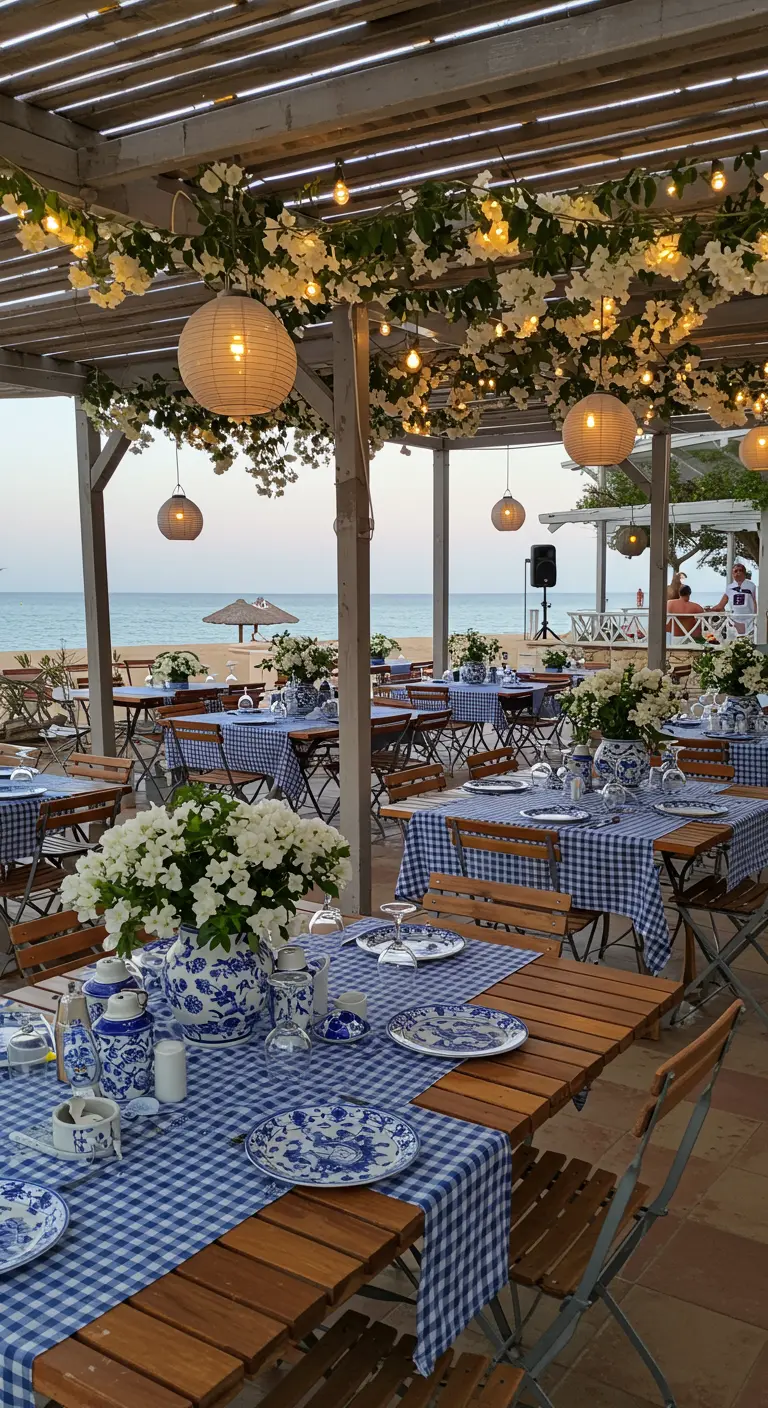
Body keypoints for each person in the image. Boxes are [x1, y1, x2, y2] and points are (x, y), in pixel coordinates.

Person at [709, 562, 757, 636]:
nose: (738, 573)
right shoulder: (729, 588)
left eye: (740, 570)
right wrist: (709, 610)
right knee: (734, 641)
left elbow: (755, 602)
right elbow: (721, 605)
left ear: (744, 573)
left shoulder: (751, 586)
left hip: (749, 620)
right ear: (732, 574)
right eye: (735, 571)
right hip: (734, 620)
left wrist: (756, 617)